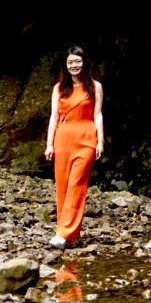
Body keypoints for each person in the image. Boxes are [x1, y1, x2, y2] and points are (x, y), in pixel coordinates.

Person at [44, 44, 103, 248]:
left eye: (77, 61)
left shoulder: (95, 86)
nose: (74, 65)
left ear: (84, 62)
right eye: (70, 62)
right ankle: (71, 234)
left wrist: (101, 141)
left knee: (77, 184)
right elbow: (53, 117)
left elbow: (97, 114)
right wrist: (49, 144)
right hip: (63, 138)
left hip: (86, 138)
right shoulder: (59, 88)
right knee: (62, 186)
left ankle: (63, 233)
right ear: (66, 65)